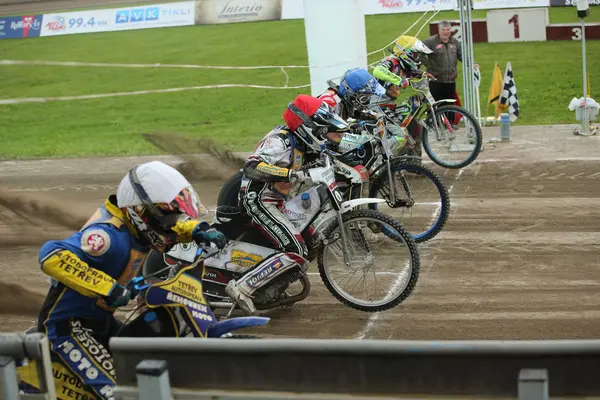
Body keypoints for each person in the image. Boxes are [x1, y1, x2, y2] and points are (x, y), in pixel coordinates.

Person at [22, 161, 227, 400]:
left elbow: (165, 223)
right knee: (121, 393)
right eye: (168, 220)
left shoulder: (135, 225)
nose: (171, 225)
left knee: (139, 370)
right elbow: (51, 255)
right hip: (69, 327)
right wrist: (107, 287)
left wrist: (196, 229)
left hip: (99, 322)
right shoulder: (106, 237)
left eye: (174, 219)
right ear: (141, 211)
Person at [225, 94, 350, 315]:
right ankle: (242, 287)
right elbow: (252, 166)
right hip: (258, 200)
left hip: (281, 201)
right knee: (295, 249)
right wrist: (291, 174)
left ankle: (271, 288)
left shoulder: (306, 143)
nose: (323, 133)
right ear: (306, 125)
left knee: (312, 241)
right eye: (319, 127)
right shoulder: (280, 141)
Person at [372, 35, 435, 157]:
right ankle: (383, 159)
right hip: (377, 105)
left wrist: (423, 74)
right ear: (406, 53)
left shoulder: (403, 66)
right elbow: (377, 71)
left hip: (388, 104)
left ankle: (410, 160)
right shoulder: (391, 61)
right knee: (401, 134)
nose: (418, 58)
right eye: (416, 55)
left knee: (412, 119)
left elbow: (412, 73)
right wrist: (398, 80)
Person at [422, 21, 479, 104]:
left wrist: (471, 64)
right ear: (439, 30)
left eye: (448, 29)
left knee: (450, 107)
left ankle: (450, 117)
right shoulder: (431, 42)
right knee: (435, 107)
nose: (446, 32)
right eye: (443, 30)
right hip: (435, 81)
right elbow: (418, 50)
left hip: (450, 81)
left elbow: (461, 55)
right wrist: (426, 63)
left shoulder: (454, 42)